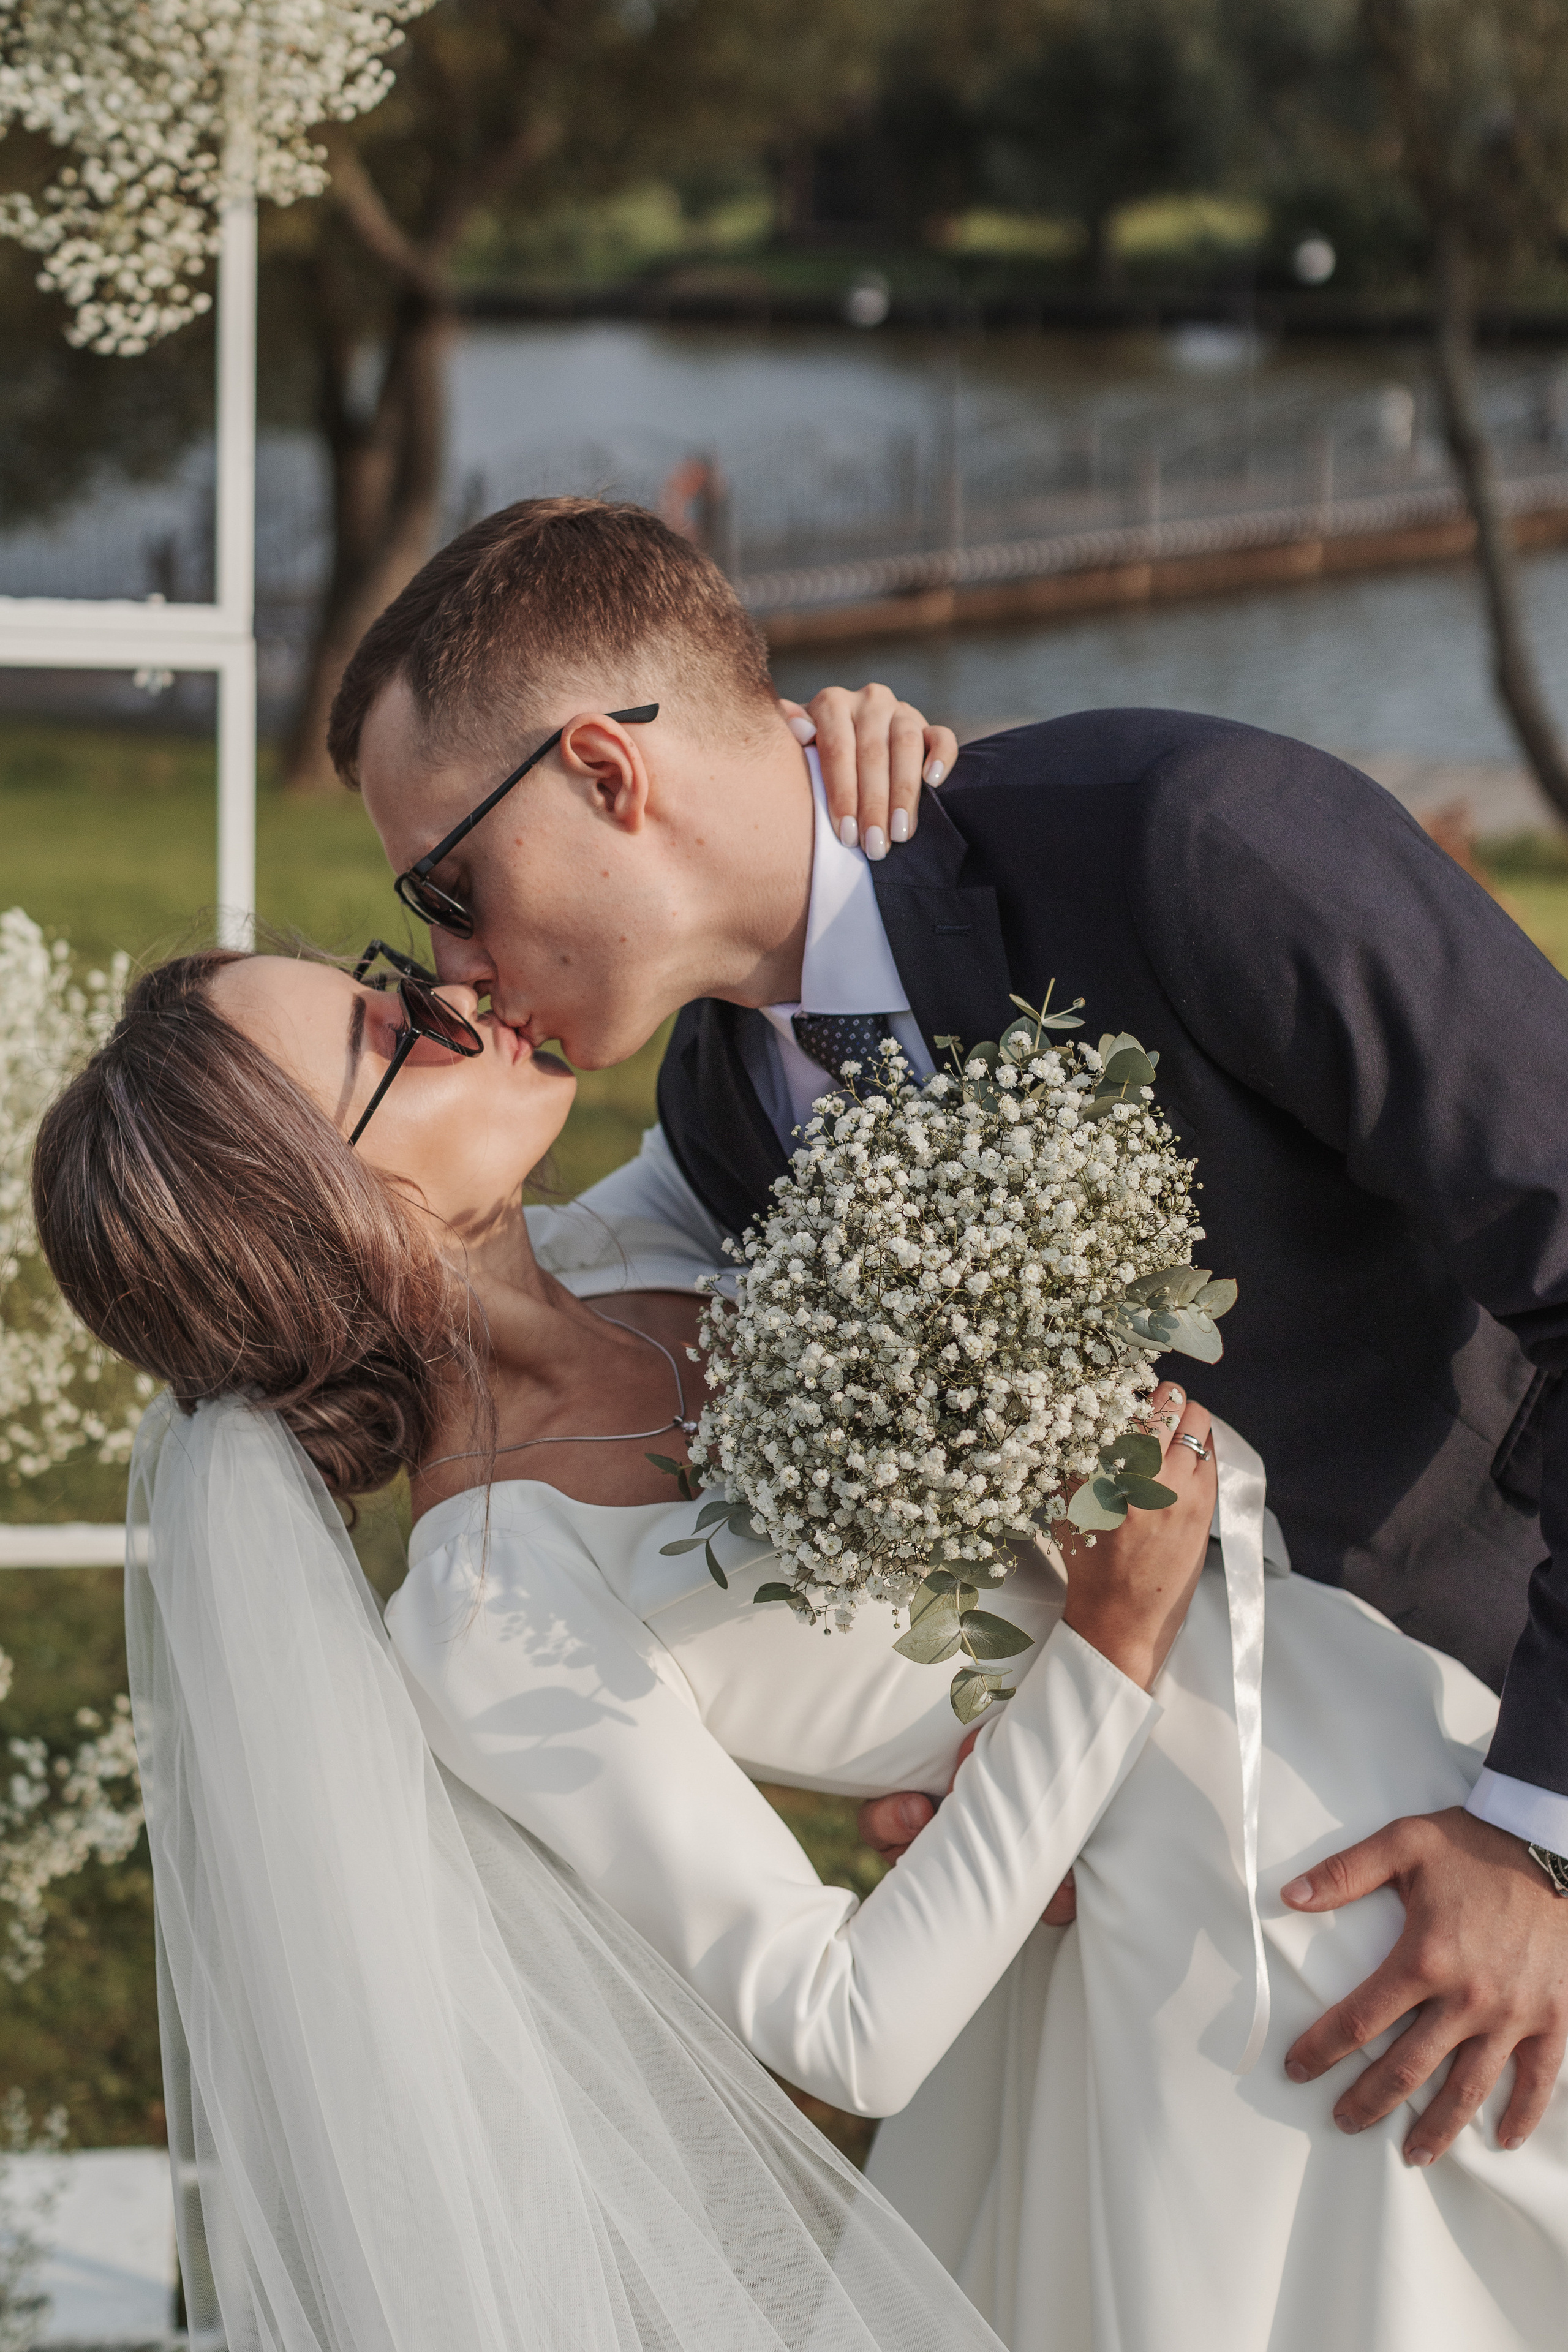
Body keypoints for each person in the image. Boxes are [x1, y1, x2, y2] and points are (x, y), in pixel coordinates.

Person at [32, 937, 1568, 2351]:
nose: (459, 996)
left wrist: (856, 769)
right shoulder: (497, 1608)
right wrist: (1105, 1640)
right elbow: (849, 2026)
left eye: (390, 968)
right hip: (1250, 1960)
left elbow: (793, 970)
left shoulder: (645, 1225)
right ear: (330, 1204)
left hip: (1377, 1716)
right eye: (393, 1029)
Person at [324, 494, 1568, 2176]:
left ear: (608, 778)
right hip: (1211, 1989)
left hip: (1490, 1785)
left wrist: (1536, 1838)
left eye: (449, 886)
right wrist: (973, 1747)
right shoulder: (724, 1118)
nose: (460, 975)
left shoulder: (1184, 842)